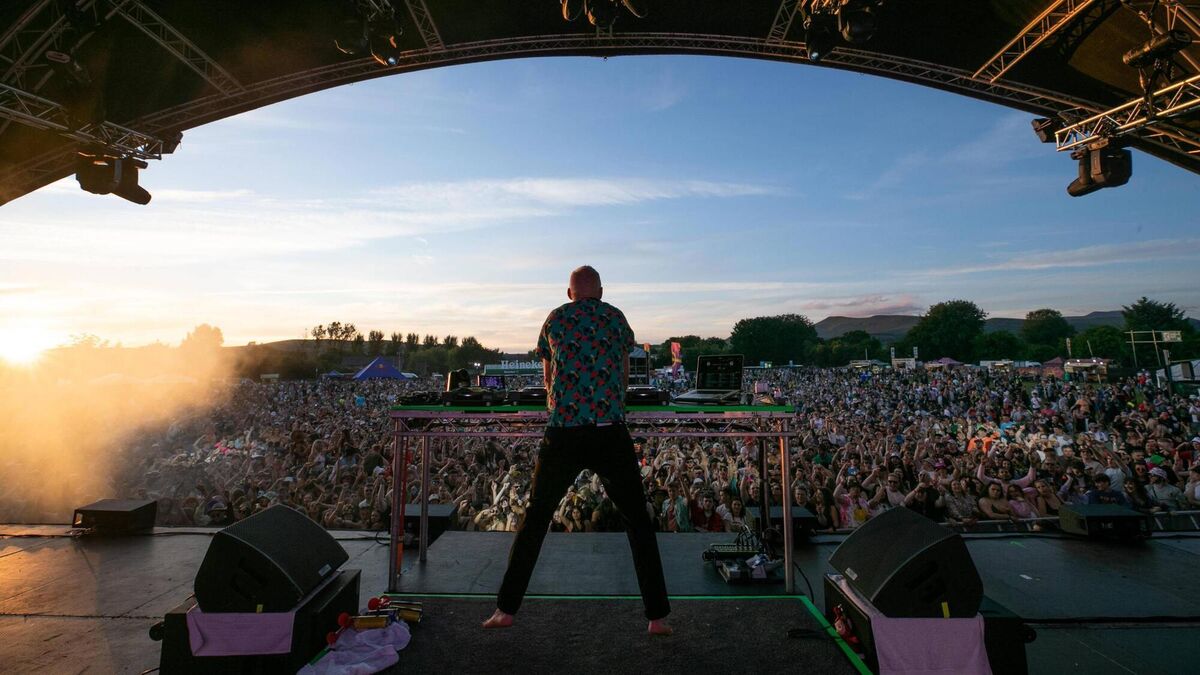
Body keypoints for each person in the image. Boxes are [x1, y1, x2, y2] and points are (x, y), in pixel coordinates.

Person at [483, 266, 671, 635]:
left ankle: (505, 610)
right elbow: (621, 372)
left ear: (569, 292)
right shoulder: (615, 317)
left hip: (564, 431)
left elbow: (548, 377)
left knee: (536, 518)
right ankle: (657, 617)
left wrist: (561, 402)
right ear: (600, 291)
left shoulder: (555, 318)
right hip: (609, 430)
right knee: (637, 520)